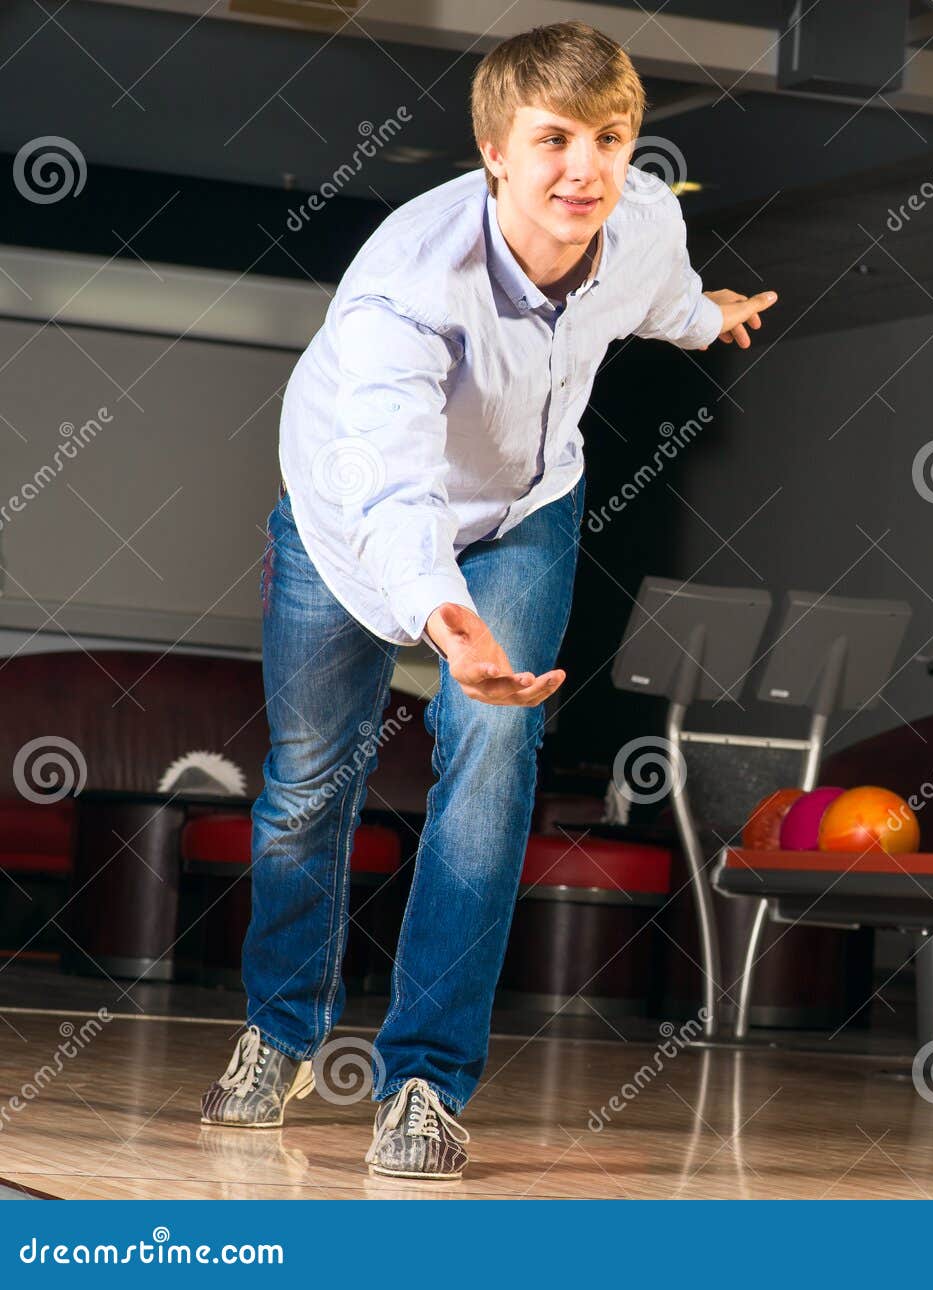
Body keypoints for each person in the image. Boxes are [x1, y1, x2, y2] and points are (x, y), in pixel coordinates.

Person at [198, 20, 777, 1182]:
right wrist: (445, 620)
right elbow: (393, 485)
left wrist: (713, 317)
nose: (585, 167)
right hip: (349, 520)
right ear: (494, 151)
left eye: (608, 139)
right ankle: (279, 1029)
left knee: (495, 763)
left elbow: (658, 299)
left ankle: (424, 1081)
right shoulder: (406, 294)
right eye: (554, 138)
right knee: (313, 781)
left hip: (522, 510)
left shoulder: (641, 218)